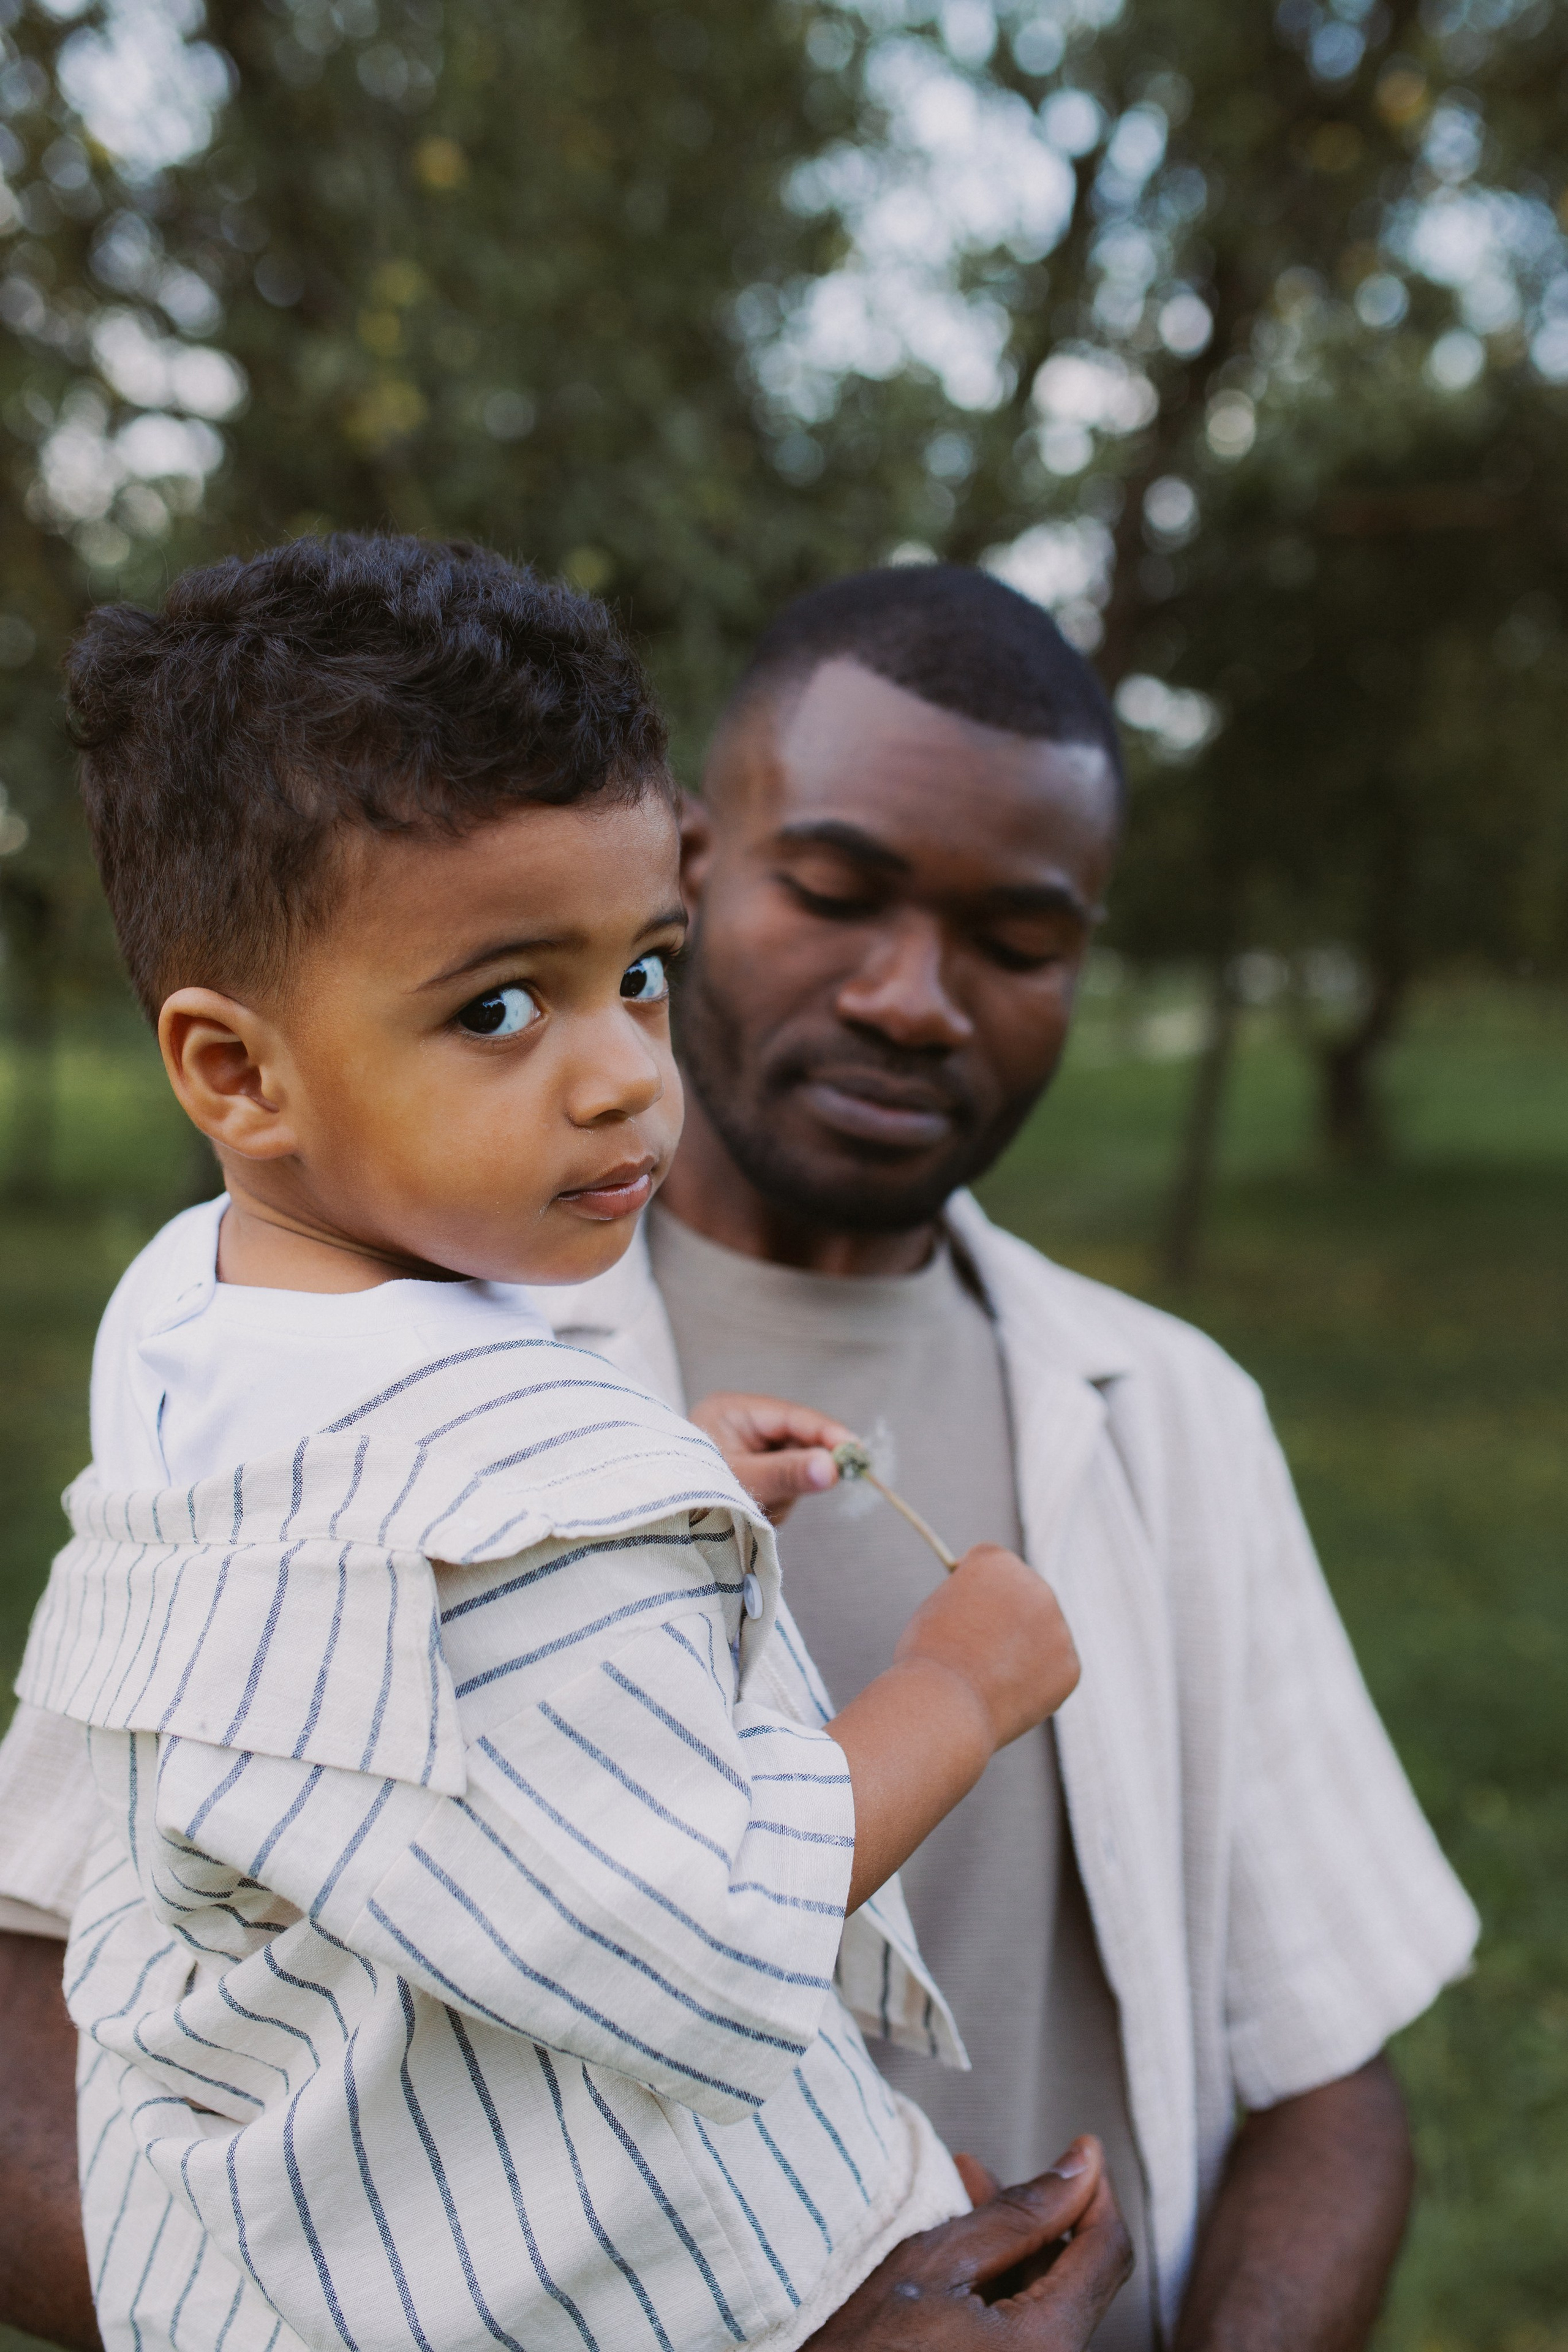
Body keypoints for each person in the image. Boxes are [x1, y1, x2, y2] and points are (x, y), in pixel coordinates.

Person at [0, 557, 1474, 2349]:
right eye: (838, 892)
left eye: (1017, 941)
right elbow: (42, 2023)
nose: (915, 997)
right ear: (707, 851)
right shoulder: (297, 1430)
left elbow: (1331, 2070)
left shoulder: (1176, 1417)